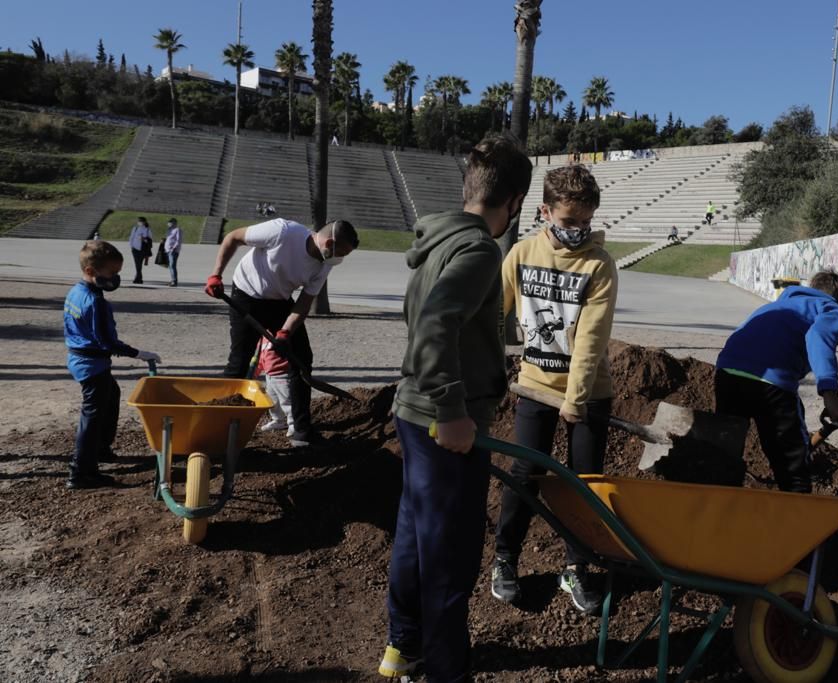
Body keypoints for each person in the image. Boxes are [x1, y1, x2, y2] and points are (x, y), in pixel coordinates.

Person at [379, 135, 531, 682]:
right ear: (513, 201)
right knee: (451, 552)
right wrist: (451, 408)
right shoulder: (477, 250)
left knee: (416, 535)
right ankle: (444, 670)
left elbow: (431, 320)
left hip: (415, 410)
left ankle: (404, 645)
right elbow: (434, 325)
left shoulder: (440, 241)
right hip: (441, 419)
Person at [490, 164, 618, 616]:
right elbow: (493, 312)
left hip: (588, 395)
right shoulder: (522, 254)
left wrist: (576, 399)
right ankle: (505, 559)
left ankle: (576, 566)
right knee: (524, 474)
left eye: (585, 222)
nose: (578, 231)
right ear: (546, 211)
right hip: (534, 388)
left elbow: (591, 338)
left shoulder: (599, 265)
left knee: (583, 484)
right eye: (568, 222)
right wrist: (488, 367)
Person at [203, 217, 359, 448]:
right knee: (239, 362)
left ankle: (301, 431)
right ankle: (217, 430)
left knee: (302, 359)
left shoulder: (324, 263)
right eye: (342, 253)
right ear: (329, 243)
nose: (341, 259)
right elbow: (233, 237)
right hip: (246, 295)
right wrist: (216, 274)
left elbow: (304, 302)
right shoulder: (282, 232)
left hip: (279, 302)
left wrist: (286, 331)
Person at [714, 271, 838, 494]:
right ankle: (796, 512)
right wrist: (830, 394)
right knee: (792, 463)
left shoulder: (777, 306)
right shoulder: (832, 309)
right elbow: (818, 337)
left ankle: (717, 503)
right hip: (770, 382)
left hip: (727, 373)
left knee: (726, 448)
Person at [63, 240, 161, 489]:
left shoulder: (76, 291)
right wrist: (138, 353)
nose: (115, 278)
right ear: (91, 271)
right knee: (92, 416)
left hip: (80, 358)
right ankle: (81, 472)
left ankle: (101, 448)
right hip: (91, 364)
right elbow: (106, 342)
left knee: (112, 394)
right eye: (112, 273)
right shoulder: (94, 301)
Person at [256, 336, 294, 437]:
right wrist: (258, 369)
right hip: (269, 374)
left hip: (282, 373)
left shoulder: (281, 335)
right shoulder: (263, 337)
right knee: (273, 400)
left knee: (286, 400)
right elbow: (261, 355)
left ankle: (293, 424)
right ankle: (278, 420)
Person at [128, 217, 152, 284]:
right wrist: (131, 246)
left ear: (144, 222)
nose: (139, 222)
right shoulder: (135, 228)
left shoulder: (147, 229)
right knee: (137, 264)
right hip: (135, 249)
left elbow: (150, 240)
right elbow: (131, 237)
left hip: (143, 249)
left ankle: (138, 278)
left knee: (139, 263)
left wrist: (143, 239)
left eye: (141, 221)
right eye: (139, 221)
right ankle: (139, 278)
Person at [165, 217, 182, 287]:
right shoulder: (169, 230)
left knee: (172, 265)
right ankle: (172, 280)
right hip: (168, 250)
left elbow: (178, 240)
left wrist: (173, 248)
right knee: (170, 266)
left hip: (173, 251)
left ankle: (174, 281)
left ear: (174, 223)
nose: (168, 223)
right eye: (168, 222)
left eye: (170, 222)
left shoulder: (177, 230)